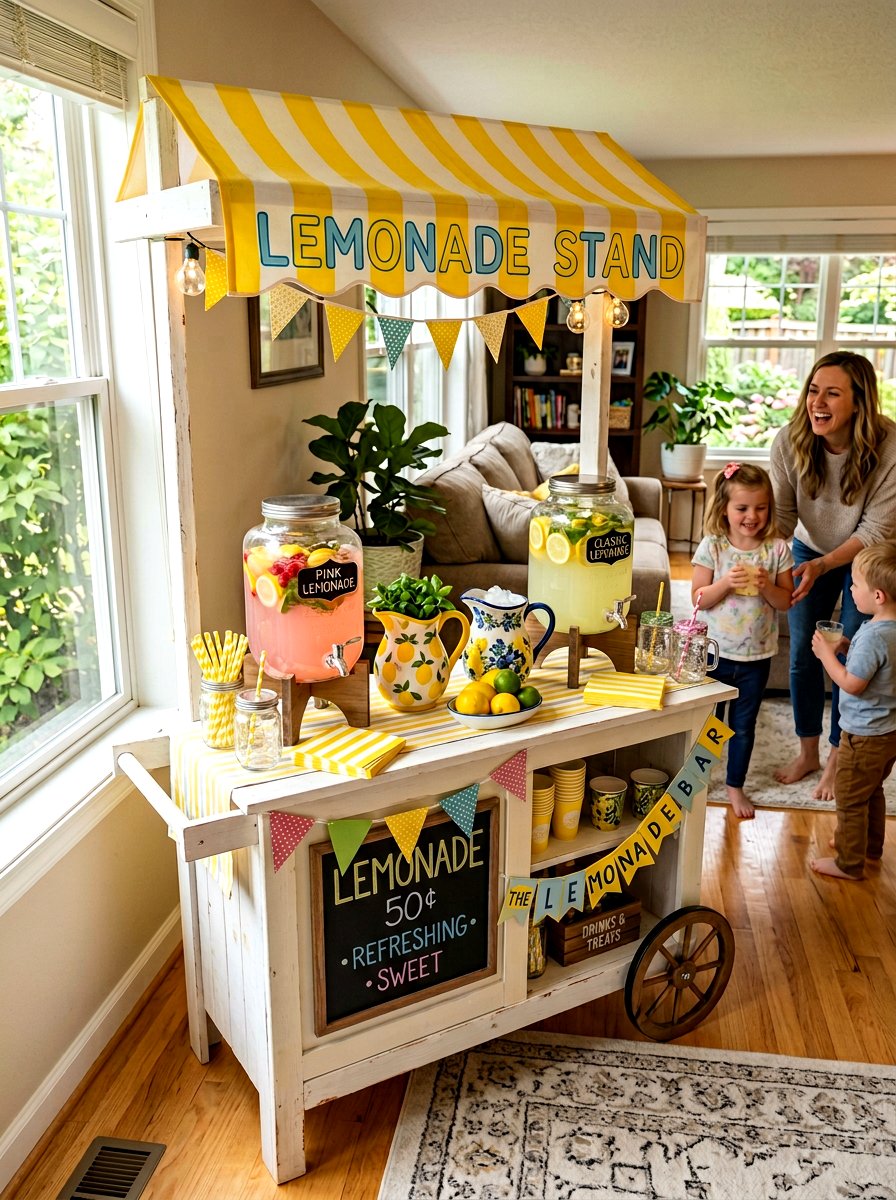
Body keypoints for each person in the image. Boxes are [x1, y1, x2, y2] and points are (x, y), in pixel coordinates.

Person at [770, 352, 896, 801]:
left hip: (870, 555)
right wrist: (753, 550)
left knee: (856, 655)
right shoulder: (789, 442)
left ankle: (839, 758)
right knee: (808, 653)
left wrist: (826, 565)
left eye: (832, 393)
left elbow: (876, 529)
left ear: (859, 402)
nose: (816, 402)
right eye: (812, 389)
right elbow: (782, 517)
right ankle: (808, 752)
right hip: (810, 546)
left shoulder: (889, 447)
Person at [692, 462, 794, 818]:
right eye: (742, 508)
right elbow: (698, 599)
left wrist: (767, 586)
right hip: (714, 654)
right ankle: (698, 777)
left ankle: (735, 785)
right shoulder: (714, 547)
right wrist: (725, 584)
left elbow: (787, 600)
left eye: (761, 507)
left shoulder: (777, 550)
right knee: (708, 722)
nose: (752, 516)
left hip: (757, 656)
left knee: (743, 726)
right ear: (725, 509)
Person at [809, 543, 896, 879]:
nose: (851, 590)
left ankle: (849, 862)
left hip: (864, 735)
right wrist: (846, 646)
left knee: (849, 797)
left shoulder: (874, 635)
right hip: (888, 733)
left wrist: (826, 655)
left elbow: (852, 682)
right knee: (872, 790)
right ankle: (870, 847)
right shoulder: (887, 630)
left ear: (877, 596)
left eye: (855, 585)